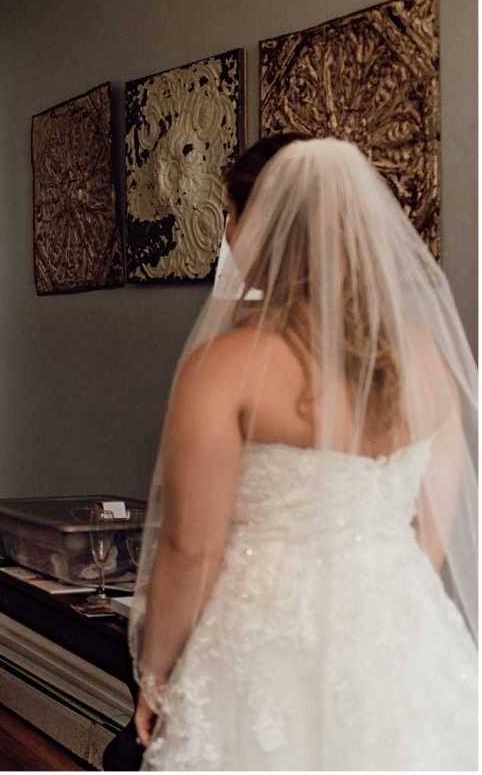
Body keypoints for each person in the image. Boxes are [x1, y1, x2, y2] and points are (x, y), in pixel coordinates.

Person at [129, 135, 477, 770]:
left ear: (258, 226)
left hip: (262, 654)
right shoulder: (427, 359)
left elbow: (191, 549)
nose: (227, 233)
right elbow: (431, 530)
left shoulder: (227, 367)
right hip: (405, 649)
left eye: (230, 216)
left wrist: (155, 676)